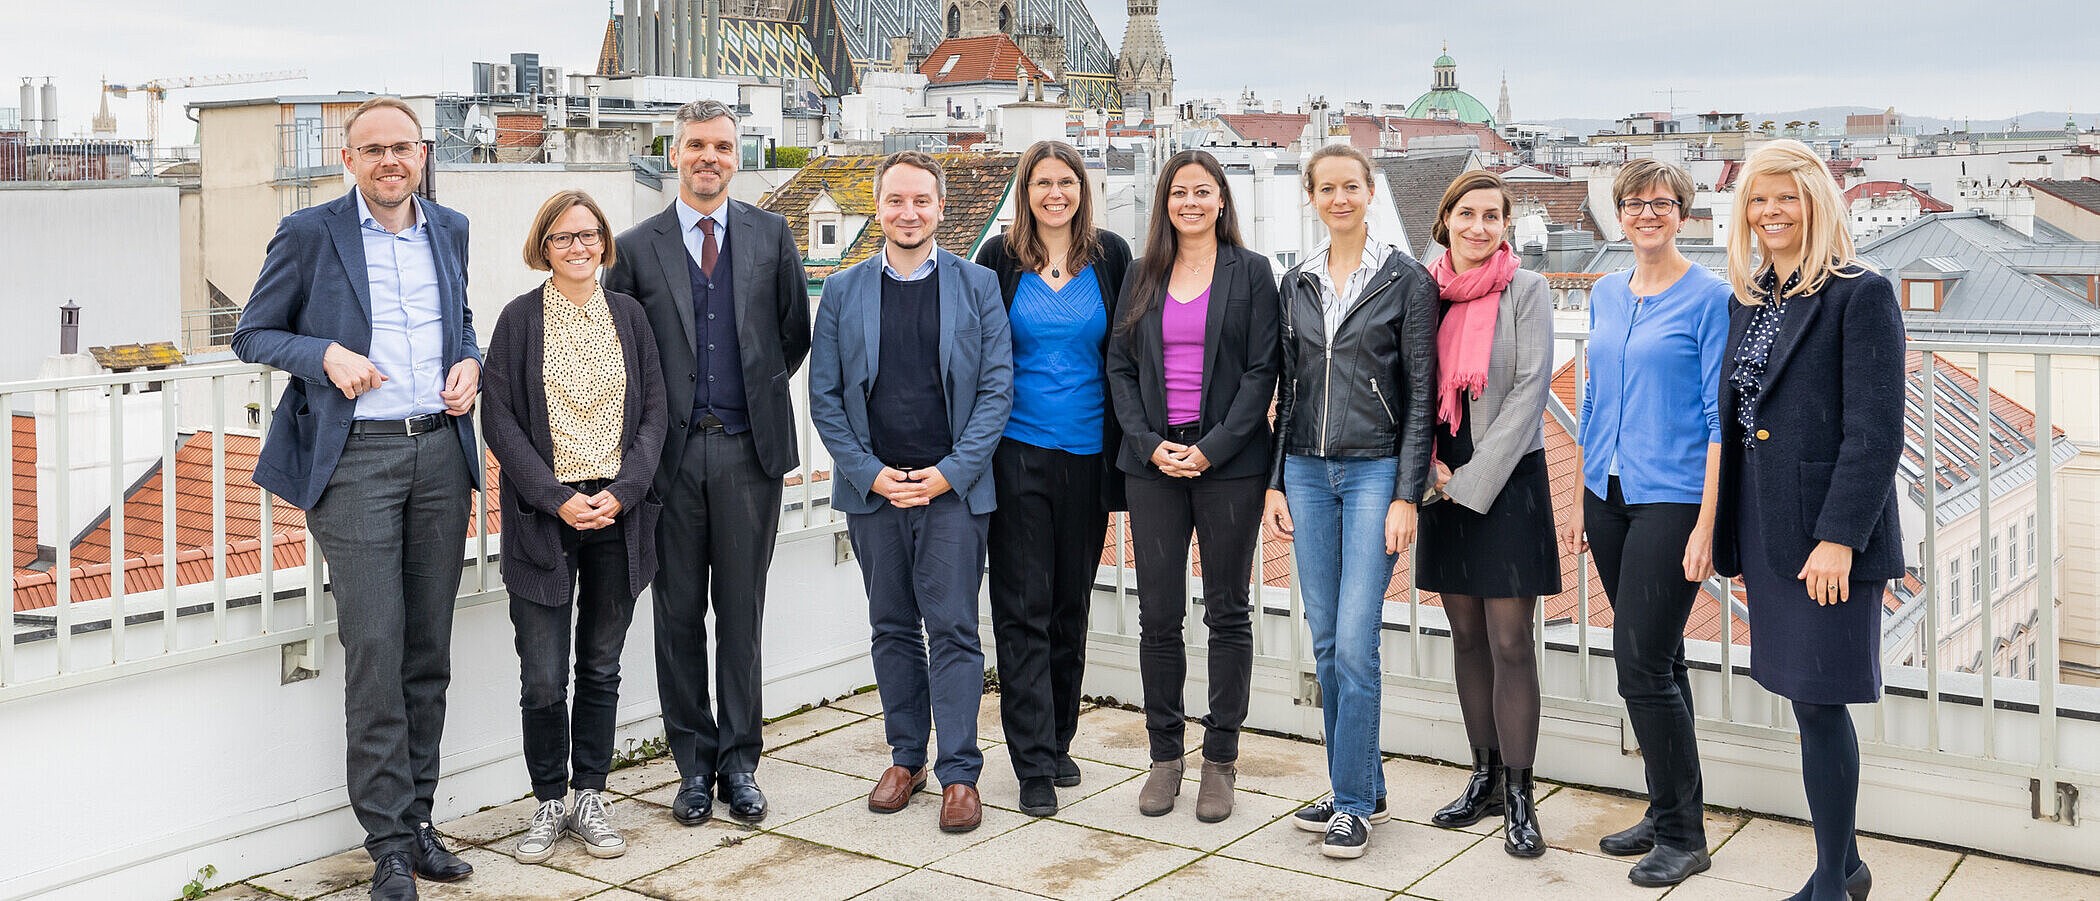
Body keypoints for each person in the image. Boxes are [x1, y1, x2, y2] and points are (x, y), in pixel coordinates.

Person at [232, 96, 481, 901]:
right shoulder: (309, 233)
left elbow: (461, 321)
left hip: (439, 453)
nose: (389, 161)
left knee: (428, 650)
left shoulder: (451, 228)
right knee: (376, 648)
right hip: (356, 460)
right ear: (349, 160)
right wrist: (326, 354)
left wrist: (470, 362)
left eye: (401, 147)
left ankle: (420, 820)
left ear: (422, 153)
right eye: (372, 150)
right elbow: (252, 332)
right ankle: (388, 846)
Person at [604, 99, 811, 827]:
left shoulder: (771, 233)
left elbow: (792, 333)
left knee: (743, 611)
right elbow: (621, 353)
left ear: (736, 155)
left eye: (722, 146)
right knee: (678, 613)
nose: (709, 158)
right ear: (675, 153)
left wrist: (748, 397)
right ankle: (693, 766)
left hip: (749, 452)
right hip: (668, 458)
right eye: (696, 144)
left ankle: (740, 762)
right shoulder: (636, 247)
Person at [1715, 139, 1905, 901]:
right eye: (1758, 199)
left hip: (1827, 533)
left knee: (1822, 705)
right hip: (1767, 526)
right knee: (1804, 698)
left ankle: (1832, 881)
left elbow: (1875, 432)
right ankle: (1846, 866)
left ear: (1817, 201)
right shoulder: (1752, 297)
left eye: (1786, 197)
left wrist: (1838, 538)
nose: (1771, 212)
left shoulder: (1860, 293)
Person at [808, 151, 1013, 835]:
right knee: (891, 626)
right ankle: (906, 758)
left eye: (921, 200)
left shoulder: (978, 285)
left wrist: (951, 472)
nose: (908, 212)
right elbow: (825, 397)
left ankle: (960, 773)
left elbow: (996, 390)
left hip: (951, 490)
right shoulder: (842, 291)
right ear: (878, 207)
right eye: (895, 200)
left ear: (941, 208)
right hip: (875, 492)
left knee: (953, 628)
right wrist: (869, 473)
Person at [1559, 159, 1732, 887]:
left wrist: (1707, 524)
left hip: (1674, 499)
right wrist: (1578, 497)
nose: (1647, 213)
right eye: (1634, 202)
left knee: (1638, 664)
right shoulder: (1605, 291)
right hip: (1607, 493)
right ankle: (1667, 813)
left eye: (1662, 202)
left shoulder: (1711, 299)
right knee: (1663, 661)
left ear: (1683, 214)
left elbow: (1721, 421)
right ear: (1620, 213)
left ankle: (1686, 837)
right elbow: (1593, 399)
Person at [481, 191, 668, 864]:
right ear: (544, 246)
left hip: (618, 513)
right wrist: (555, 497)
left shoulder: (630, 316)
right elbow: (498, 418)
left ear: (604, 241)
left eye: (589, 235)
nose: (579, 246)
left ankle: (590, 794)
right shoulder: (518, 319)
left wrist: (624, 491)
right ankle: (548, 800)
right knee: (541, 674)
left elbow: (655, 411)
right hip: (544, 517)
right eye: (563, 237)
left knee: (600, 665)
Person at [1263, 144, 1438, 858]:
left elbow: (1421, 394)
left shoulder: (1406, 280)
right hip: (1306, 470)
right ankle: (1359, 783)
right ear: (1311, 197)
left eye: (1351, 187)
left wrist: (1407, 494)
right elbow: (1289, 389)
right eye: (1326, 188)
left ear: (1370, 191)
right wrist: (1276, 480)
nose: (1339, 198)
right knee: (1328, 640)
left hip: (1374, 473)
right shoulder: (1297, 281)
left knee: (1357, 640)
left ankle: (1355, 803)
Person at [1105, 149, 1279, 824]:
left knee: (1227, 611)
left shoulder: (1252, 272)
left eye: (1203, 192)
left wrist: (1211, 449)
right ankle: (1165, 755)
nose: (1191, 203)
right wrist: (1149, 444)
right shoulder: (1142, 272)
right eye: (1180, 192)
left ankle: (1220, 759)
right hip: (1152, 463)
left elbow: (1262, 371)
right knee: (1158, 615)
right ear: (1165, 202)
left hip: (1228, 464)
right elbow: (1120, 368)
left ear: (1222, 200)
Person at [974, 140, 1133, 818]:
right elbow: (976, 349)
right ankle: (1032, 761)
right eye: (1042, 182)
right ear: (1026, 191)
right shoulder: (998, 259)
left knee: (1071, 605)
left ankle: (1059, 738)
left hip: (1090, 457)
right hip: (1017, 454)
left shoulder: (1112, 257)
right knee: (1022, 609)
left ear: (1082, 190)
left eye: (1066, 181)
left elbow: (1131, 352)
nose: (1055, 193)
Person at [1415, 169, 1559, 859]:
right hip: (1438, 479)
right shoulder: (1422, 291)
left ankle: (1522, 795)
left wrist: (1467, 482)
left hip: (1506, 481)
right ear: (1446, 219)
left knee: (1509, 641)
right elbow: (1404, 384)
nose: (1479, 227)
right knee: (1467, 637)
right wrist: (1427, 470)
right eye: (1467, 213)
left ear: (1505, 226)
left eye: (1492, 216)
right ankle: (1484, 777)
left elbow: (1530, 391)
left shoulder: (1526, 290)